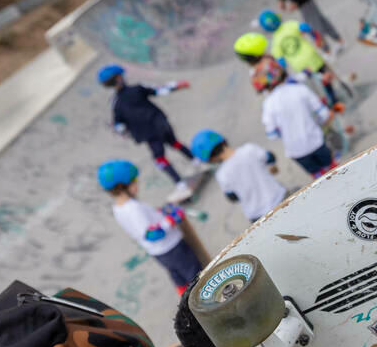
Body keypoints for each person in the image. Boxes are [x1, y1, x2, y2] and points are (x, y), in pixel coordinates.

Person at [97, 160, 203, 293]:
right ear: (122, 186)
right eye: (134, 181)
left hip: (158, 253)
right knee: (195, 275)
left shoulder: (118, 208)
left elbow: (141, 225)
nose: (137, 184)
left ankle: (187, 305)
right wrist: (171, 219)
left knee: (178, 277)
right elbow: (152, 234)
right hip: (172, 247)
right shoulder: (133, 208)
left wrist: (160, 212)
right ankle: (207, 301)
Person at [98, 64, 200, 199]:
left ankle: (180, 183)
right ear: (119, 79)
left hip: (148, 133)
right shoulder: (137, 88)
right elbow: (159, 90)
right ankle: (196, 161)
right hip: (160, 123)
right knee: (174, 143)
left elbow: (119, 125)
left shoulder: (115, 103)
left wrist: (123, 132)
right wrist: (177, 86)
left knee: (159, 158)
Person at [252, 56, 337, 179]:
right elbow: (324, 115)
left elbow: (272, 135)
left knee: (319, 178)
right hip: (315, 142)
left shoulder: (268, 104)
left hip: (296, 151)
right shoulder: (300, 89)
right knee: (334, 170)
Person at [191, 129, 287, 223]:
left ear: (210, 159)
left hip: (257, 214)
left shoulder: (222, 175)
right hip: (279, 197)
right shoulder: (249, 149)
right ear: (222, 140)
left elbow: (232, 197)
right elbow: (271, 158)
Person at [256, 9, 343, 110]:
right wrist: (316, 38)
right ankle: (334, 100)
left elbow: (282, 63)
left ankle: (323, 106)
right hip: (312, 57)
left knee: (313, 87)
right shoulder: (290, 24)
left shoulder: (275, 43)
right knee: (325, 79)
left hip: (301, 67)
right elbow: (306, 28)